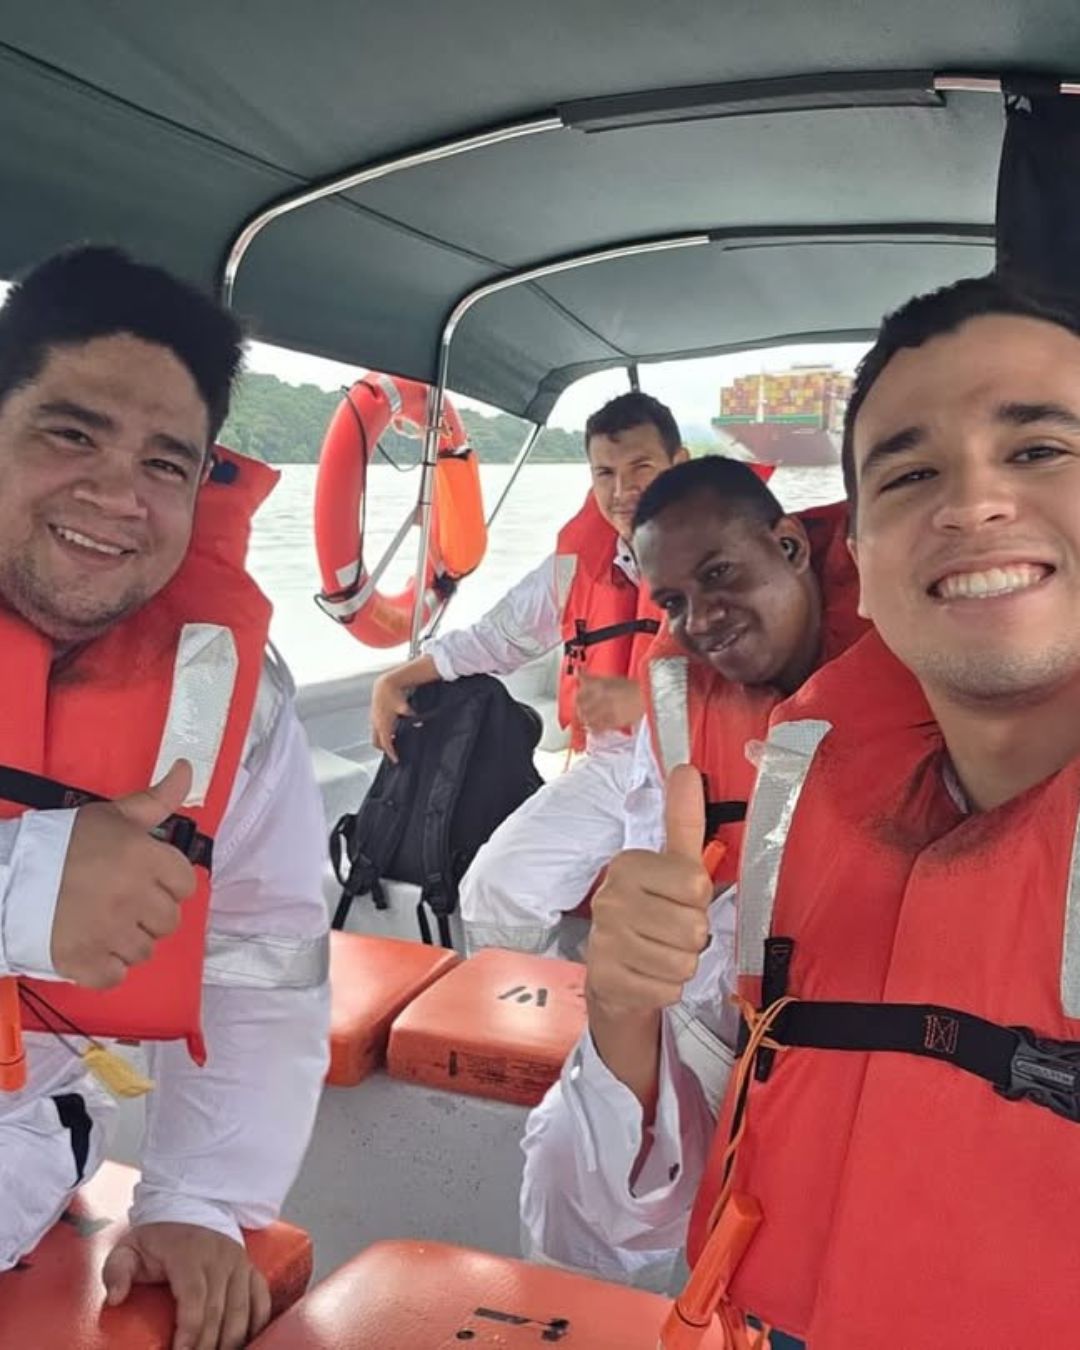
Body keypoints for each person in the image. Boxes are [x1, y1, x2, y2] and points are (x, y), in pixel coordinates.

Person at [549, 274, 1080, 1349]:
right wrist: (620, 1011)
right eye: (912, 473)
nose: (974, 503)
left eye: (1039, 450)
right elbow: (605, 1222)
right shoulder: (801, 823)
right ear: (864, 571)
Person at [0, 247, 329, 1350]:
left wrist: (202, 1198)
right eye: (70, 433)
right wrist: (22, 888)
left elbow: (262, 954)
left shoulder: (228, 694)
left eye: (165, 463)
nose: (117, 497)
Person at [519, 457, 864, 1296]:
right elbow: (658, 842)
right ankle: (576, 1319)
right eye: (673, 601)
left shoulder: (918, 664)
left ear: (790, 546)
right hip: (719, 1010)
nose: (700, 620)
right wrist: (640, 954)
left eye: (719, 575)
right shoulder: (678, 696)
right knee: (564, 1154)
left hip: (855, 1021)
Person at [370, 392, 687, 954]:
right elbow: (497, 636)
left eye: (641, 467)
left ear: (679, 465)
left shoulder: (729, 560)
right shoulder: (577, 567)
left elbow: (774, 686)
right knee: (495, 886)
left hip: (703, 773)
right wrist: (399, 677)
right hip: (613, 768)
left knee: (666, 937)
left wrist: (650, 702)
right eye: (605, 473)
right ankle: (532, 1005)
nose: (622, 490)